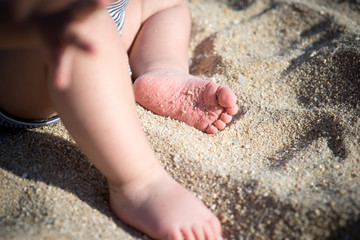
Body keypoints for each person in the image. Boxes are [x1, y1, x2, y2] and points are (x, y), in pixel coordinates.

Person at [0, 0, 238, 239]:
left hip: (109, 24)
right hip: (29, 52)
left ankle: (161, 65)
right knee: (85, 25)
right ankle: (141, 182)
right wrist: (35, 19)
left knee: (167, 3)